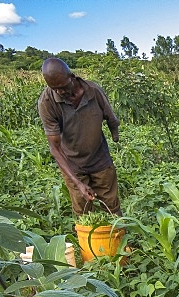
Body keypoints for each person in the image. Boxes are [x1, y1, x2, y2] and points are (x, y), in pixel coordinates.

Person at [38, 58, 121, 217]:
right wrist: (77, 182)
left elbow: (111, 117)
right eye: (54, 89)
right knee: (83, 213)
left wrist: (114, 133)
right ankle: (87, 241)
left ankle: (119, 240)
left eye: (63, 87)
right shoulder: (47, 102)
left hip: (100, 158)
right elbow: (54, 148)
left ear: (72, 77)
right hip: (72, 164)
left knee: (112, 206)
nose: (60, 92)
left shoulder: (93, 90)